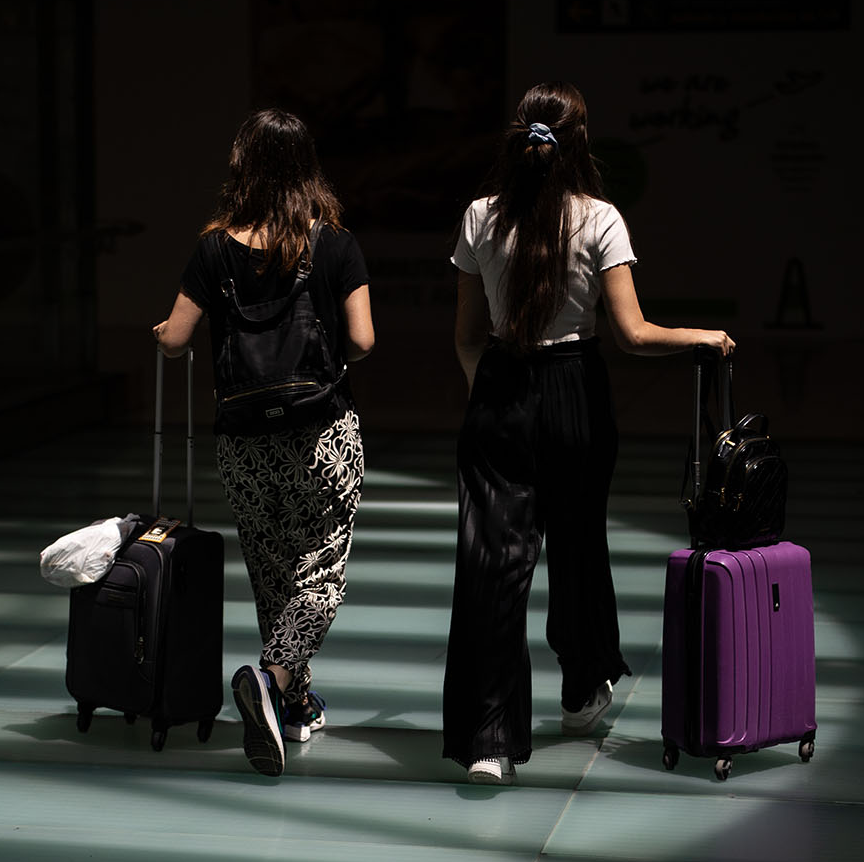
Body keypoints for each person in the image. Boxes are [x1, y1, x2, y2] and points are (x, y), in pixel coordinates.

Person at [443, 81, 734, 786]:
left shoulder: (481, 215)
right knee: (578, 542)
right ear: (578, 142)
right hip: (576, 393)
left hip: (501, 393)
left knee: (493, 565)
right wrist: (704, 337)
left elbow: (466, 339)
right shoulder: (601, 217)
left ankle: (489, 742)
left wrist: (493, 399)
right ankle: (582, 689)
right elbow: (632, 335)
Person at [153, 108, 375, 778]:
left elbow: (176, 340)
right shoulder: (335, 245)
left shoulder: (213, 247)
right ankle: (274, 677)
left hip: (243, 441)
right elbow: (363, 341)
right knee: (320, 580)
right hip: (320, 435)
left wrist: (162, 330)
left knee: (274, 575)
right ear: (307, 167)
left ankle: (295, 705)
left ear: (243, 169)